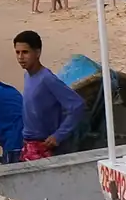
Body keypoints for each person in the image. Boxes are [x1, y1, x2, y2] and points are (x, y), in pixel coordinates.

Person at [14, 29, 84, 160]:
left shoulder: (47, 78)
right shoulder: (27, 76)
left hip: (45, 146)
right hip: (28, 143)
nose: (20, 57)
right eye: (17, 52)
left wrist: (58, 135)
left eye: (25, 52)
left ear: (37, 53)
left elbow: (77, 105)